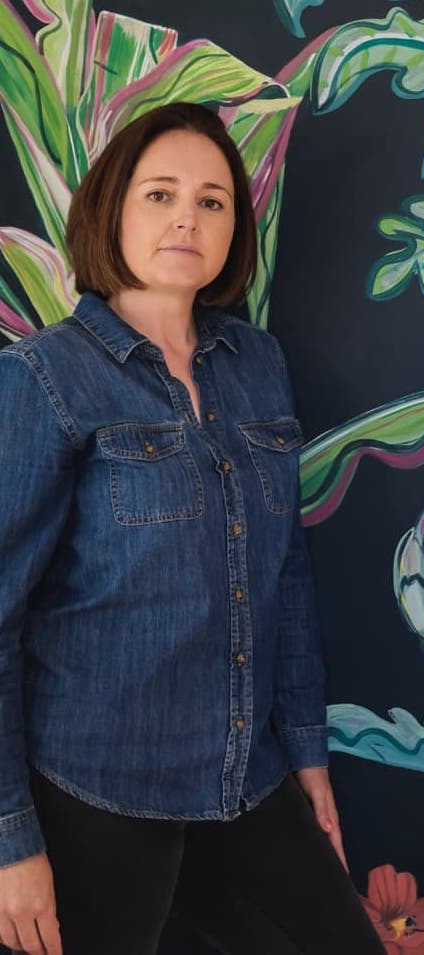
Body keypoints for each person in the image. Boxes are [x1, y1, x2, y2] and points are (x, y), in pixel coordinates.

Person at [0, 102, 384, 955]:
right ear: (112, 210)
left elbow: (284, 576)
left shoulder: (257, 363)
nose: (188, 217)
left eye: (213, 201)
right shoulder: (43, 377)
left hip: (248, 777)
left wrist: (309, 753)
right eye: (161, 193)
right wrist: (10, 839)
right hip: (97, 790)